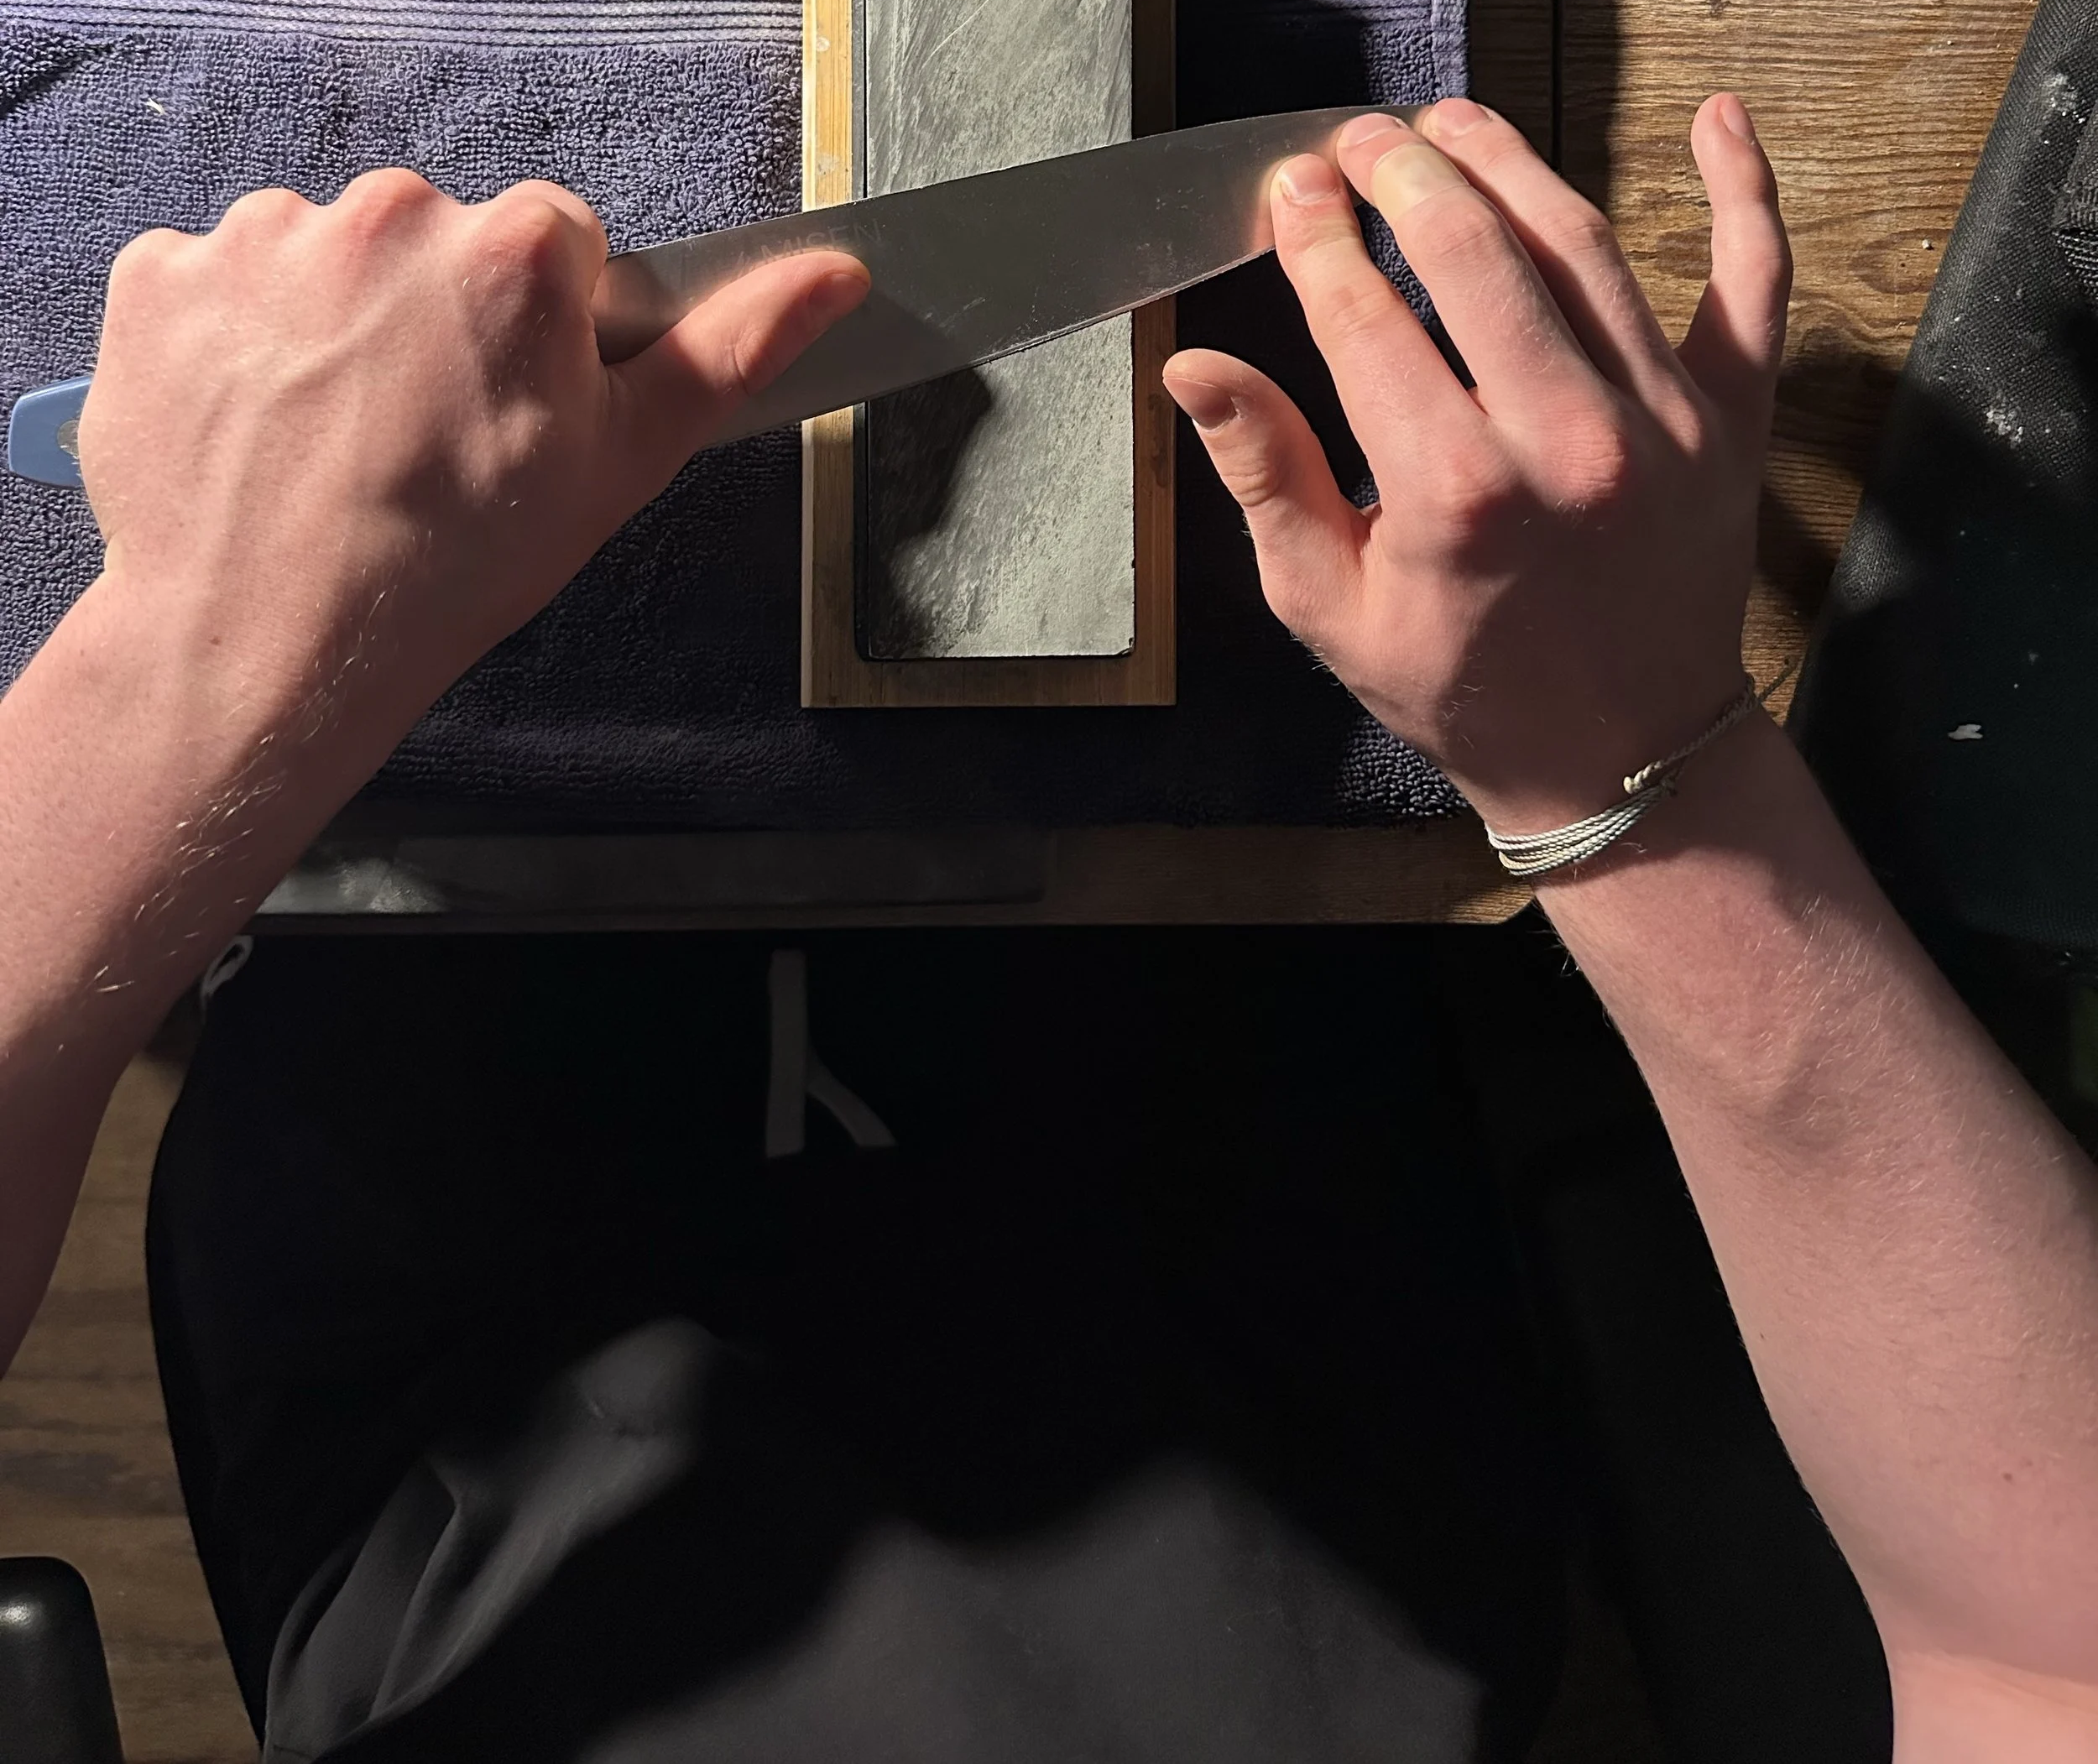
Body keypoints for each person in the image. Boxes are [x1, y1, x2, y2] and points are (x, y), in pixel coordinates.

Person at [2, 97, 2095, 1761]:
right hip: (1261, 1272)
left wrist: (194, 663)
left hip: (432, 1239)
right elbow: (2052, 1659)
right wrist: (1642, 779)